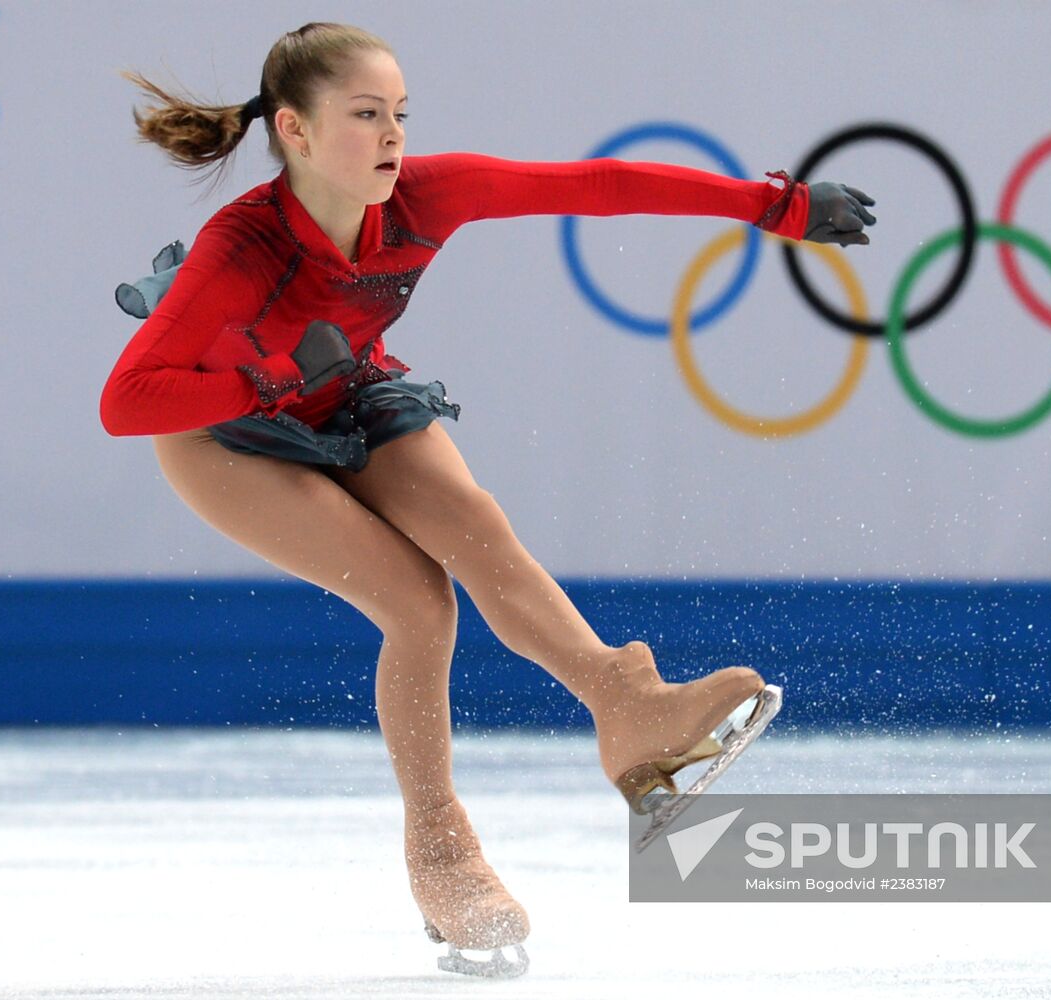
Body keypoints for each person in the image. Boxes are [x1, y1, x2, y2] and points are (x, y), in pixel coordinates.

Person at [100, 21, 876, 979]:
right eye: (365, 115)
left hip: (346, 385)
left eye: (399, 115)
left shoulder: (428, 194)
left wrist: (770, 206)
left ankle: (629, 713)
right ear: (294, 132)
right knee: (419, 606)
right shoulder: (239, 247)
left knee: (475, 526)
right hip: (223, 434)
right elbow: (126, 401)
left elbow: (593, 186)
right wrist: (262, 380)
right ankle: (441, 854)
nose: (392, 136)